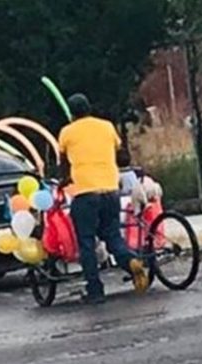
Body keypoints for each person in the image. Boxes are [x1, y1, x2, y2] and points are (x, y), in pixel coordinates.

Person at [58, 93, 149, 304]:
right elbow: (120, 154)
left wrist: (65, 179)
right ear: (89, 108)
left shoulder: (67, 132)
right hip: (110, 190)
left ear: (72, 113)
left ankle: (96, 290)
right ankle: (130, 260)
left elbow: (64, 163)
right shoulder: (106, 126)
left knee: (87, 242)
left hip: (85, 194)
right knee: (112, 235)